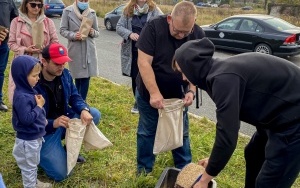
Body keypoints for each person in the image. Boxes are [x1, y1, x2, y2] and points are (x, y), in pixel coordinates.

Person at [173, 38, 300, 188]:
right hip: (276, 115)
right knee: (253, 153)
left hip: (293, 122)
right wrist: (213, 161)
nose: (183, 78)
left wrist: (204, 179)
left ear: (192, 66)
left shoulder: (223, 79)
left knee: (268, 183)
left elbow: (227, 136)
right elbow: (230, 124)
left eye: (183, 71)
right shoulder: (218, 72)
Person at [135, 1, 205, 174]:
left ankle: (184, 170)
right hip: (150, 93)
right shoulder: (153, 28)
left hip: (178, 97)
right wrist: (154, 93)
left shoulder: (198, 34)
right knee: (147, 132)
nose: (181, 36)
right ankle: (144, 170)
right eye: (177, 30)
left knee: (182, 132)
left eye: (185, 32)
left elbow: (196, 67)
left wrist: (191, 90)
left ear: (194, 22)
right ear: (169, 19)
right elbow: (143, 62)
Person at [34, 43, 101, 181]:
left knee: (93, 115)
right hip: (44, 132)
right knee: (62, 174)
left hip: (65, 121)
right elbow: (30, 120)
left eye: (64, 62)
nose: (62, 66)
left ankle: (69, 149)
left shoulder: (65, 74)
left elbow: (74, 96)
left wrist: (83, 109)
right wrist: (53, 123)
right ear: (44, 62)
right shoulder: (33, 81)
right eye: (57, 63)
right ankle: (38, 154)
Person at [11, 55, 52, 188]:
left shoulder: (28, 91)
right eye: (34, 76)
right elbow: (26, 119)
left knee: (33, 164)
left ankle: (34, 182)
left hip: (34, 137)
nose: (38, 78)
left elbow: (33, 115)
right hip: (28, 141)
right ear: (22, 77)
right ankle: (30, 185)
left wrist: (42, 120)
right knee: (29, 168)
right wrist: (39, 106)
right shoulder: (22, 97)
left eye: (38, 75)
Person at [116, 0, 163, 114]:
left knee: (147, 76)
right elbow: (119, 26)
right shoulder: (128, 10)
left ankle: (147, 100)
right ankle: (137, 101)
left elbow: (162, 25)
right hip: (133, 52)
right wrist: (129, 34)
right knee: (135, 78)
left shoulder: (154, 10)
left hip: (148, 51)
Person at [8, 0, 59, 103]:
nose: (36, 8)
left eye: (39, 5)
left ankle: (40, 115)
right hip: (23, 63)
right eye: (33, 5)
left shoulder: (48, 22)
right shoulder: (16, 22)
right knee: (21, 94)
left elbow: (55, 42)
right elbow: (11, 43)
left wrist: (45, 50)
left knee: (41, 93)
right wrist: (25, 49)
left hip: (42, 62)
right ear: (26, 4)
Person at [60, 0, 100, 101]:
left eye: (85, 0)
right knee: (78, 77)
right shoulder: (67, 11)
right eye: (81, 0)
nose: (83, 2)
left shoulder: (92, 13)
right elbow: (62, 30)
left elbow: (97, 33)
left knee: (86, 77)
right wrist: (74, 35)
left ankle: (82, 101)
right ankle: (77, 101)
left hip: (88, 50)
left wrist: (92, 32)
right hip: (75, 49)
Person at [0, 0, 18, 111]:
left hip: (3, 42)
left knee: (0, 71)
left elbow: (14, 18)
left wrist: (7, 31)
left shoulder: (7, 1)